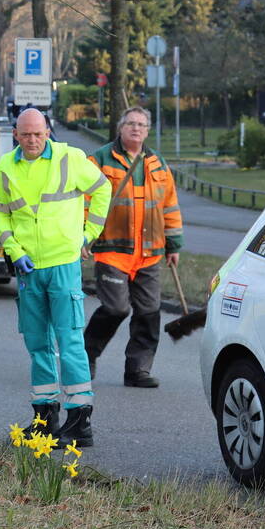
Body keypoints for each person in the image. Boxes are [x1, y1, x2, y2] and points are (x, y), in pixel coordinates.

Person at [0, 108, 111, 446]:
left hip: (63, 264)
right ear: (16, 134)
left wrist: (89, 235)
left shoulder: (69, 158)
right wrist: (14, 250)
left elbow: (103, 189)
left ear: (47, 132)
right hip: (28, 267)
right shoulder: (6, 166)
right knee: (37, 343)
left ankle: (79, 421)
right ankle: (44, 417)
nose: (32, 140)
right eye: (26, 134)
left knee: (69, 342)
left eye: (37, 134)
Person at [82, 107, 184, 388]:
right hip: (112, 250)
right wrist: (84, 236)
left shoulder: (158, 163)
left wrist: (173, 244)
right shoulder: (99, 159)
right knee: (115, 308)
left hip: (149, 253)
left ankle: (138, 370)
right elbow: (84, 201)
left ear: (147, 130)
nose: (136, 128)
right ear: (120, 127)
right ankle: (86, 356)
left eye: (141, 124)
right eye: (130, 124)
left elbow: (169, 205)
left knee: (149, 312)